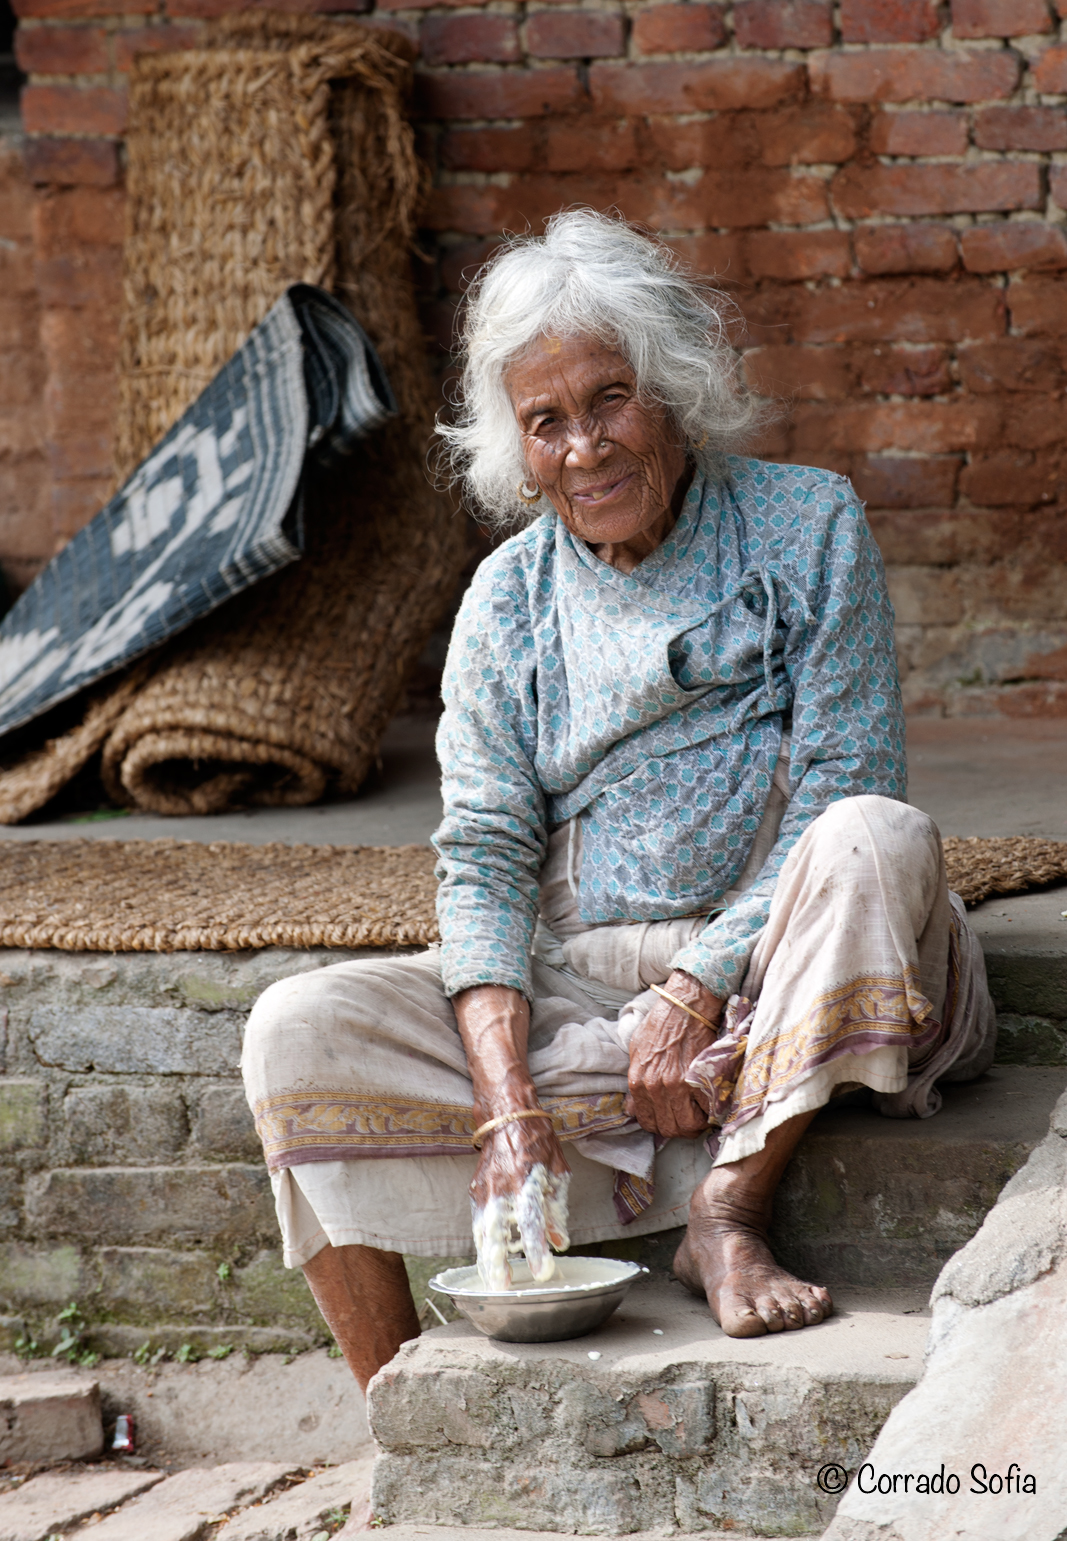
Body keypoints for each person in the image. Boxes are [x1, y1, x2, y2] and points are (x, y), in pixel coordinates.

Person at [241, 210, 995, 1392]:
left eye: (610, 399)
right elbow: (485, 852)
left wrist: (699, 985)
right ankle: (392, 1405)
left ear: (673, 388)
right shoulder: (503, 601)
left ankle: (726, 1210)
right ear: (516, 444)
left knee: (874, 834)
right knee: (294, 1025)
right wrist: (505, 1103)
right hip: (585, 986)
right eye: (546, 421)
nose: (584, 446)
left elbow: (848, 780)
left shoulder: (804, 523)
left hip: (779, 960)